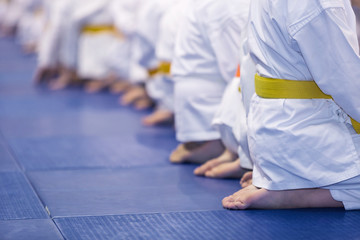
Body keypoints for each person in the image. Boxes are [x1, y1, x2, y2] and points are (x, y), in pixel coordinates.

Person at [223, 0, 360, 210]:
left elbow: (248, 72)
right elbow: (348, 82)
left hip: (273, 135)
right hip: (310, 136)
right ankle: (299, 194)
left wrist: (257, 158)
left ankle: (283, 180)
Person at [170, 0, 251, 164]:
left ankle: (211, 145)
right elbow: (238, 68)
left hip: (196, 95)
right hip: (210, 104)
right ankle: (227, 149)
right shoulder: (230, 6)